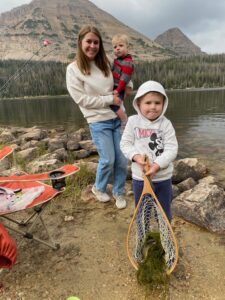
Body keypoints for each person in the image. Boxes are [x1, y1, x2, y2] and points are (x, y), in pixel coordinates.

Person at [66, 25, 128, 209]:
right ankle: (98, 188)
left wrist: (127, 83)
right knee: (108, 159)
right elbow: (81, 99)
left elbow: (121, 75)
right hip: (98, 121)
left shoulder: (106, 61)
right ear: (80, 42)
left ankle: (118, 191)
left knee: (122, 159)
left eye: (96, 42)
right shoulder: (73, 69)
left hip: (118, 117)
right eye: (89, 42)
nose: (92, 46)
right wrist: (109, 99)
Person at [120, 80, 178, 221]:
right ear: (138, 103)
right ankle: (143, 235)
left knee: (164, 212)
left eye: (157, 103)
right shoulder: (133, 122)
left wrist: (157, 165)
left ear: (163, 104)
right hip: (140, 178)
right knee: (142, 212)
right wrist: (137, 157)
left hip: (163, 178)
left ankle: (165, 237)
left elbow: (172, 149)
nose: (153, 107)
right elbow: (125, 144)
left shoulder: (166, 124)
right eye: (148, 103)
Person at [110, 34, 134, 126]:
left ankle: (124, 120)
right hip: (115, 87)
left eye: (121, 45)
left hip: (120, 88)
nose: (117, 48)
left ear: (127, 48)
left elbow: (124, 79)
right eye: (115, 47)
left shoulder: (127, 63)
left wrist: (118, 90)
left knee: (114, 104)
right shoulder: (118, 60)